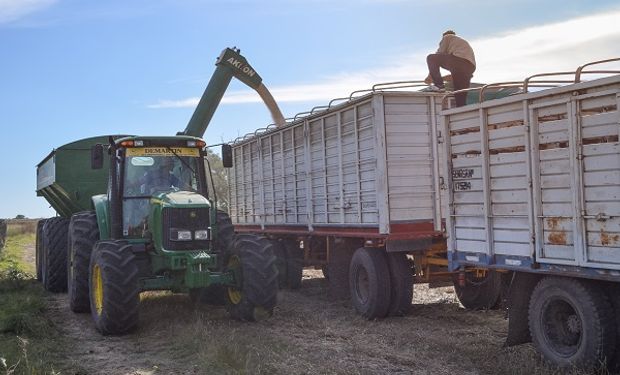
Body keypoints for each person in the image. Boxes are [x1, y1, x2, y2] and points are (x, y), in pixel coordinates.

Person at [424, 30, 476, 107]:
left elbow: (438, 55)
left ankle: (439, 86)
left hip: (459, 61)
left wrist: (429, 77)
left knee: (431, 58)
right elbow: (452, 76)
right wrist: (441, 78)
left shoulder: (447, 37)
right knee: (459, 94)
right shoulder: (460, 45)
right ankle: (461, 110)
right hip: (470, 67)